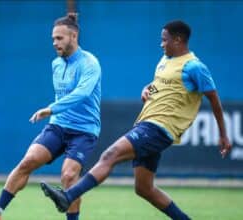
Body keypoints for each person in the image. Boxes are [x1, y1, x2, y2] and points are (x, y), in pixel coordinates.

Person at [40, 20, 232, 220]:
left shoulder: (195, 67)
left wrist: (223, 134)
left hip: (160, 128)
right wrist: (148, 88)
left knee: (110, 155)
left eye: (164, 40)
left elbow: (214, 99)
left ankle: (68, 196)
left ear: (178, 40)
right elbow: (161, 84)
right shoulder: (165, 60)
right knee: (144, 188)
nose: (161, 44)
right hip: (147, 123)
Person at [0, 13, 102, 220]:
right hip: (58, 126)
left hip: (84, 130)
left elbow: (82, 94)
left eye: (59, 38)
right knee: (28, 161)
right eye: (53, 39)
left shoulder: (90, 63)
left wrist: (50, 109)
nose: (54, 43)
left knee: (69, 177)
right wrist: (55, 113)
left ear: (74, 36)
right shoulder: (56, 64)